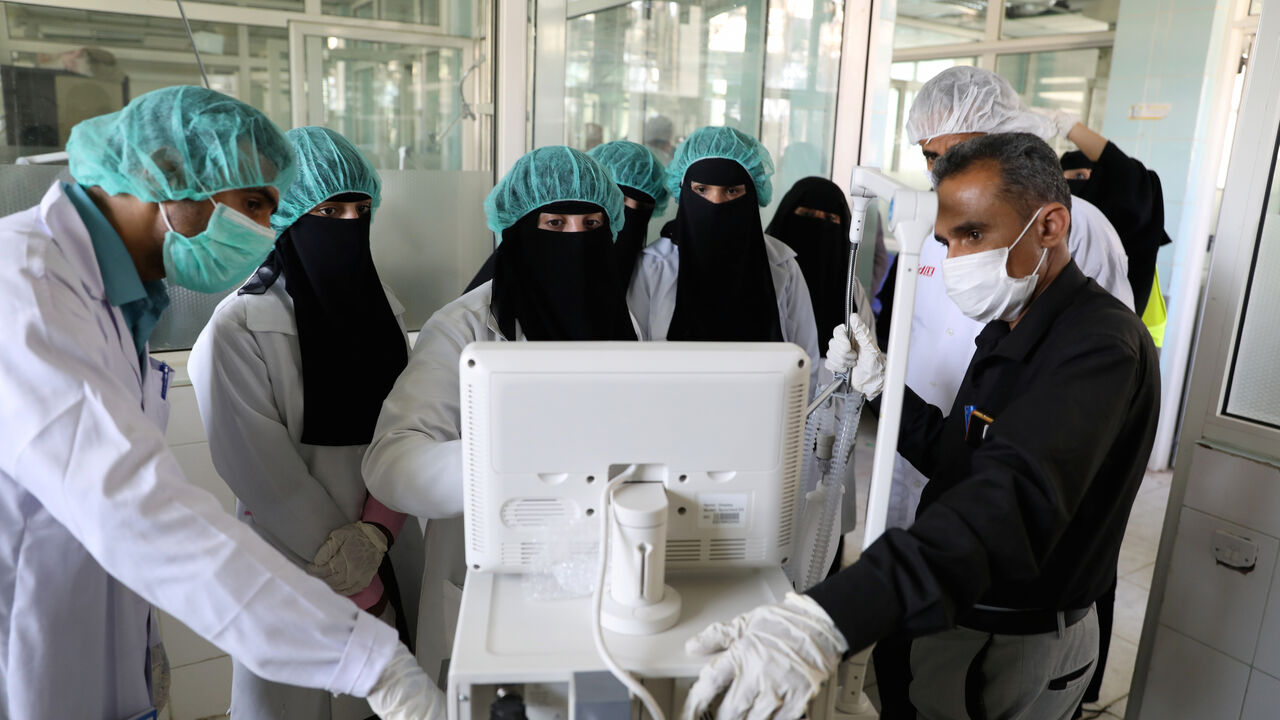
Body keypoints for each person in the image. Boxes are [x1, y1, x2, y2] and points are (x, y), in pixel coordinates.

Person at [682, 133, 1160, 720]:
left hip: (1014, 637)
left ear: (1051, 225)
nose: (956, 261)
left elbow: (1007, 498)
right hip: (959, 612)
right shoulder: (1013, 324)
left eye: (975, 235)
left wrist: (833, 617)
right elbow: (965, 459)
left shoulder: (1099, 348)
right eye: (946, 241)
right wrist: (882, 388)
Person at [0, 86, 438, 720]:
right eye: (254, 203)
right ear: (170, 179)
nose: (264, 229)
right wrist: (371, 659)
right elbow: (138, 506)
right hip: (31, 655)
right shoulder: (27, 292)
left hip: (90, 642)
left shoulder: (112, 302)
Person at [871, 69, 1141, 714]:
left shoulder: (1087, 310)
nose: (940, 171)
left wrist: (829, 615)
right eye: (931, 159)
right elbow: (956, 432)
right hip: (943, 476)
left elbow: (1028, 475)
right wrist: (881, 381)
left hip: (1014, 575)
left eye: (949, 153)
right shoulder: (996, 312)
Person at [363, 145, 637, 683]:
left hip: (602, 573)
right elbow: (390, 463)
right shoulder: (462, 326)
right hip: (495, 575)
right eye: (553, 221)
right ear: (515, 227)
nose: (574, 237)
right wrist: (507, 459)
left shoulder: (618, 316)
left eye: (591, 222)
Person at [189, 126, 425, 720]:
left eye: (359, 207)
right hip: (292, 560)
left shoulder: (385, 309)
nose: (348, 221)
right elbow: (263, 473)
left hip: (388, 541)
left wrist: (379, 532)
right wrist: (356, 575)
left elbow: (407, 425)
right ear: (289, 211)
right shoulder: (239, 326)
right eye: (329, 208)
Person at [626, 126, 820, 380]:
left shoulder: (781, 264)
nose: (716, 203)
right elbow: (634, 362)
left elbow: (806, 363)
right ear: (684, 191)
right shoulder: (653, 266)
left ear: (752, 195)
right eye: (702, 190)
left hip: (762, 413)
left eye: (732, 191)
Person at [463, 139, 669, 294]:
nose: (630, 216)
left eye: (642, 207)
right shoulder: (470, 317)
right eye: (556, 222)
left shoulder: (652, 274)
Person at [1046, 111, 1171, 328]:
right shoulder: (1052, 217)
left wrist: (1071, 128)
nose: (1086, 183)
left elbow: (1132, 179)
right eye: (1077, 176)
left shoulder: (1121, 223)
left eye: (1091, 177)